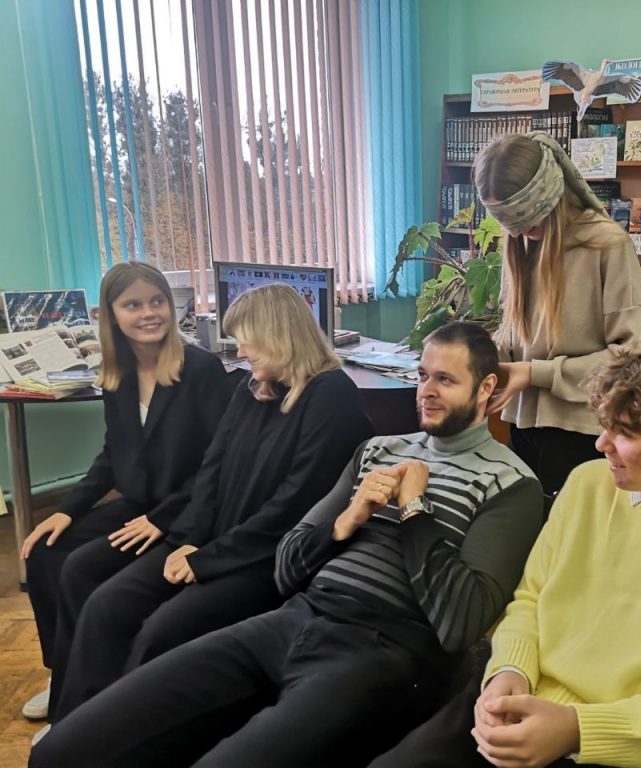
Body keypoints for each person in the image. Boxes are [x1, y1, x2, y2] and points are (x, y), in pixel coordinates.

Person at [32, 321, 545, 768]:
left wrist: (414, 511)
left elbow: (459, 624)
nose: (426, 392)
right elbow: (287, 565)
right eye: (423, 376)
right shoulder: (378, 451)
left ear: (487, 387)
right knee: (64, 749)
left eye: (445, 380)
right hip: (293, 619)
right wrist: (347, 519)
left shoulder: (510, 483)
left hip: (384, 651)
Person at [369, 342, 641, 768]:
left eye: (624, 433)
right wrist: (509, 670)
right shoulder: (588, 484)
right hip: (520, 701)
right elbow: (530, 599)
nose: (602, 443)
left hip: (623, 749)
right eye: (605, 426)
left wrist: (577, 729)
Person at [45, 283, 376, 728]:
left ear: (279, 335)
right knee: (107, 605)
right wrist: (189, 539)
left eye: (248, 340)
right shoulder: (252, 386)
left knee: (162, 631)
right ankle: (73, 729)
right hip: (209, 541)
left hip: (263, 558)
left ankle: (124, 736)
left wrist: (206, 559)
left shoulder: (332, 396)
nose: (241, 352)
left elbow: (291, 507)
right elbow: (211, 472)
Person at [20, 261, 232, 726]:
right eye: (133, 305)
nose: (149, 313)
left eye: (157, 301)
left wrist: (163, 518)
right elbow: (112, 455)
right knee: (44, 552)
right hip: (139, 504)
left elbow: (218, 465)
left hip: (185, 510)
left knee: (79, 568)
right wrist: (67, 510)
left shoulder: (200, 369)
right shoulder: (117, 373)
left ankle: (80, 706)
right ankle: (64, 674)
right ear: (111, 315)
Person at [475, 131, 641, 499]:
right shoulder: (522, 244)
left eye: (526, 219)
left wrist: (536, 373)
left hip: (585, 433)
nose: (521, 231)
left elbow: (634, 358)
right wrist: (476, 362)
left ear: (548, 195)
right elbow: (516, 337)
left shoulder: (607, 244)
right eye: (510, 224)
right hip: (523, 427)